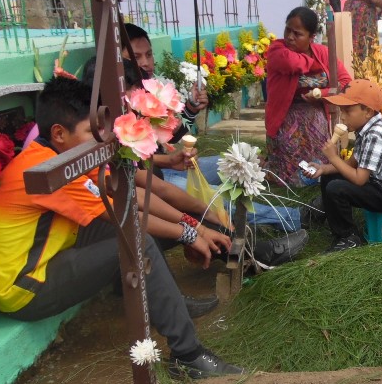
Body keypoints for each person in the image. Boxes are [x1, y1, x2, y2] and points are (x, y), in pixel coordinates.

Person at [0, 75, 244, 379]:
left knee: (142, 230)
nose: (100, 140)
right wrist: (190, 232)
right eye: (91, 132)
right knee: (137, 240)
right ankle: (188, 354)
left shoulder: (64, 152)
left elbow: (131, 197)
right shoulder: (47, 170)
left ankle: (203, 277)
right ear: (59, 132)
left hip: (56, 254)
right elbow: (125, 216)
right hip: (25, 287)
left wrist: (192, 225)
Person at [116, 28, 302, 232]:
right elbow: (130, 161)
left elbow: (168, 135)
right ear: (118, 59)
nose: (145, 62)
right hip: (154, 178)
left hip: (168, 167)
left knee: (235, 162)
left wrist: (190, 109)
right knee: (215, 195)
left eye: (149, 54)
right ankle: (291, 218)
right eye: (136, 57)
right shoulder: (117, 100)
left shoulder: (150, 88)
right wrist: (168, 160)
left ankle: (252, 215)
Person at [310, 79, 382, 253]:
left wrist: (333, 158)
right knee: (330, 177)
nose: (342, 116)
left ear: (367, 112)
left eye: (348, 111)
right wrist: (324, 168)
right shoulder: (365, 130)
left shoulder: (376, 135)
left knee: (337, 188)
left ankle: (348, 238)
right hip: (378, 184)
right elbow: (351, 164)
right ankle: (325, 213)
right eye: (342, 110)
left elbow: (359, 179)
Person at [265, 6, 353, 188]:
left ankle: (315, 177)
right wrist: (315, 64)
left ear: (312, 37)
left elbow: (345, 82)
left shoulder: (323, 53)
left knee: (319, 165)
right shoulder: (277, 50)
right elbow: (293, 63)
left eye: (297, 34)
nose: (290, 37)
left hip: (315, 116)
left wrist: (323, 94)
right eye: (288, 30)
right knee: (286, 176)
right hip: (285, 116)